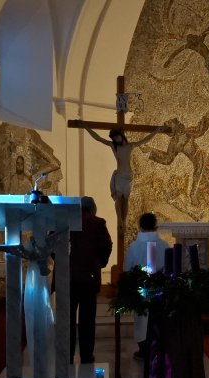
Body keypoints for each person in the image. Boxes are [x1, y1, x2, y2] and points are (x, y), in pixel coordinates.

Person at [83, 126, 169, 225]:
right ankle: (119, 220)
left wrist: (156, 131)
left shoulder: (130, 146)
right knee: (119, 198)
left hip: (128, 176)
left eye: (117, 137)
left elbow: (145, 140)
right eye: (114, 138)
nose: (116, 140)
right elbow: (98, 138)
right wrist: (86, 127)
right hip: (119, 175)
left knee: (126, 199)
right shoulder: (114, 146)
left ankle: (124, 221)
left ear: (122, 135)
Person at [68, 197, 113, 364]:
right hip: (88, 279)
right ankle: (86, 356)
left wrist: (63, 264)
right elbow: (106, 246)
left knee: (67, 320)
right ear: (92, 209)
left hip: (68, 279)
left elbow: (53, 246)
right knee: (87, 320)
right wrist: (99, 263)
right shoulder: (98, 223)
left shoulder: (66, 222)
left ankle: (67, 355)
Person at [123, 212, 171, 359]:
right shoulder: (164, 245)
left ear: (140, 227)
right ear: (156, 226)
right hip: (160, 292)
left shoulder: (134, 247)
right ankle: (158, 348)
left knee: (142, 320)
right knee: (158, 319)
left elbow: (127, 269)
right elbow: (170, 269)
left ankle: (144, 349)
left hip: (141, 291)